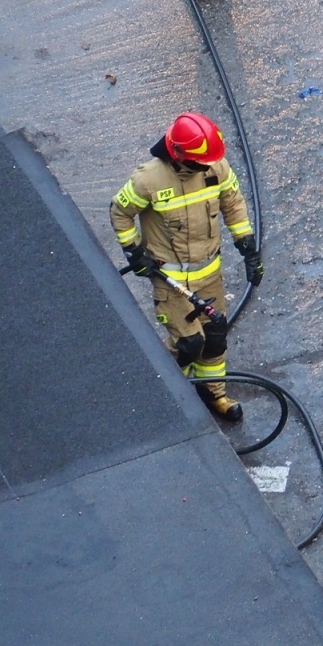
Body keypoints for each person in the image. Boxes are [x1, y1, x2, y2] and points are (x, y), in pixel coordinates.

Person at [111, 112, 261, 422]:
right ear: (178, 153)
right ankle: (165, 389)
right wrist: (135, 253)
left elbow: (233, 203)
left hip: (209, 275)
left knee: (215, 336)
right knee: (189, 344)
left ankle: (212, 392)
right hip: (171, 282)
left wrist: (248, 248)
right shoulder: (147, 180)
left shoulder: (214, 165)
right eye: (198, 162)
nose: (205, 167)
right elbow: (120, 213)